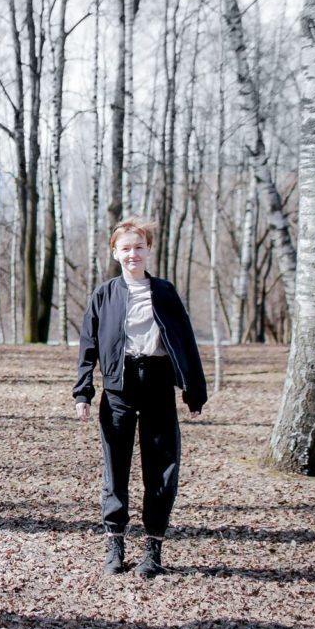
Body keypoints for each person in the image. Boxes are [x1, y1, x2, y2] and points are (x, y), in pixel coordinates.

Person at [73, 217, 207, 579]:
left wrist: (194, 391)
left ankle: (153, 548)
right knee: (115, 469)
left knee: (161, 468)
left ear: (149, 250)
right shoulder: (105, 294)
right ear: (115, 253)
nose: (133, 254)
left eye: (139, 247)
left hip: (158, 385)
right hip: (118, 388)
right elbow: (88, 345)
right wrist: (83, 391)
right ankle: (114, 544)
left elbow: (185, 341)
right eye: (126, 248)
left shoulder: (164, 292)